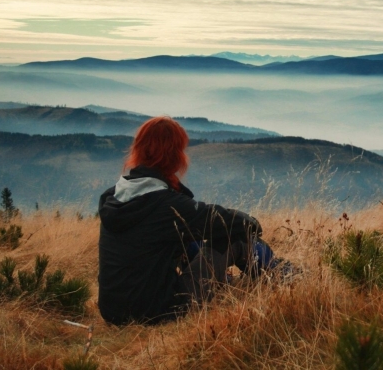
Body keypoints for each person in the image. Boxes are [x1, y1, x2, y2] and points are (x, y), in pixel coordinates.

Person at [97, 116, 287, 325]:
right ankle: (285, 277)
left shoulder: (113, 196)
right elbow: (236, 223)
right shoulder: (168, 205)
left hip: (112, 313)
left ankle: (230, 282)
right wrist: (252, 222)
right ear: (174, 155)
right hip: (160, 313)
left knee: (188, 241)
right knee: (237, 239)